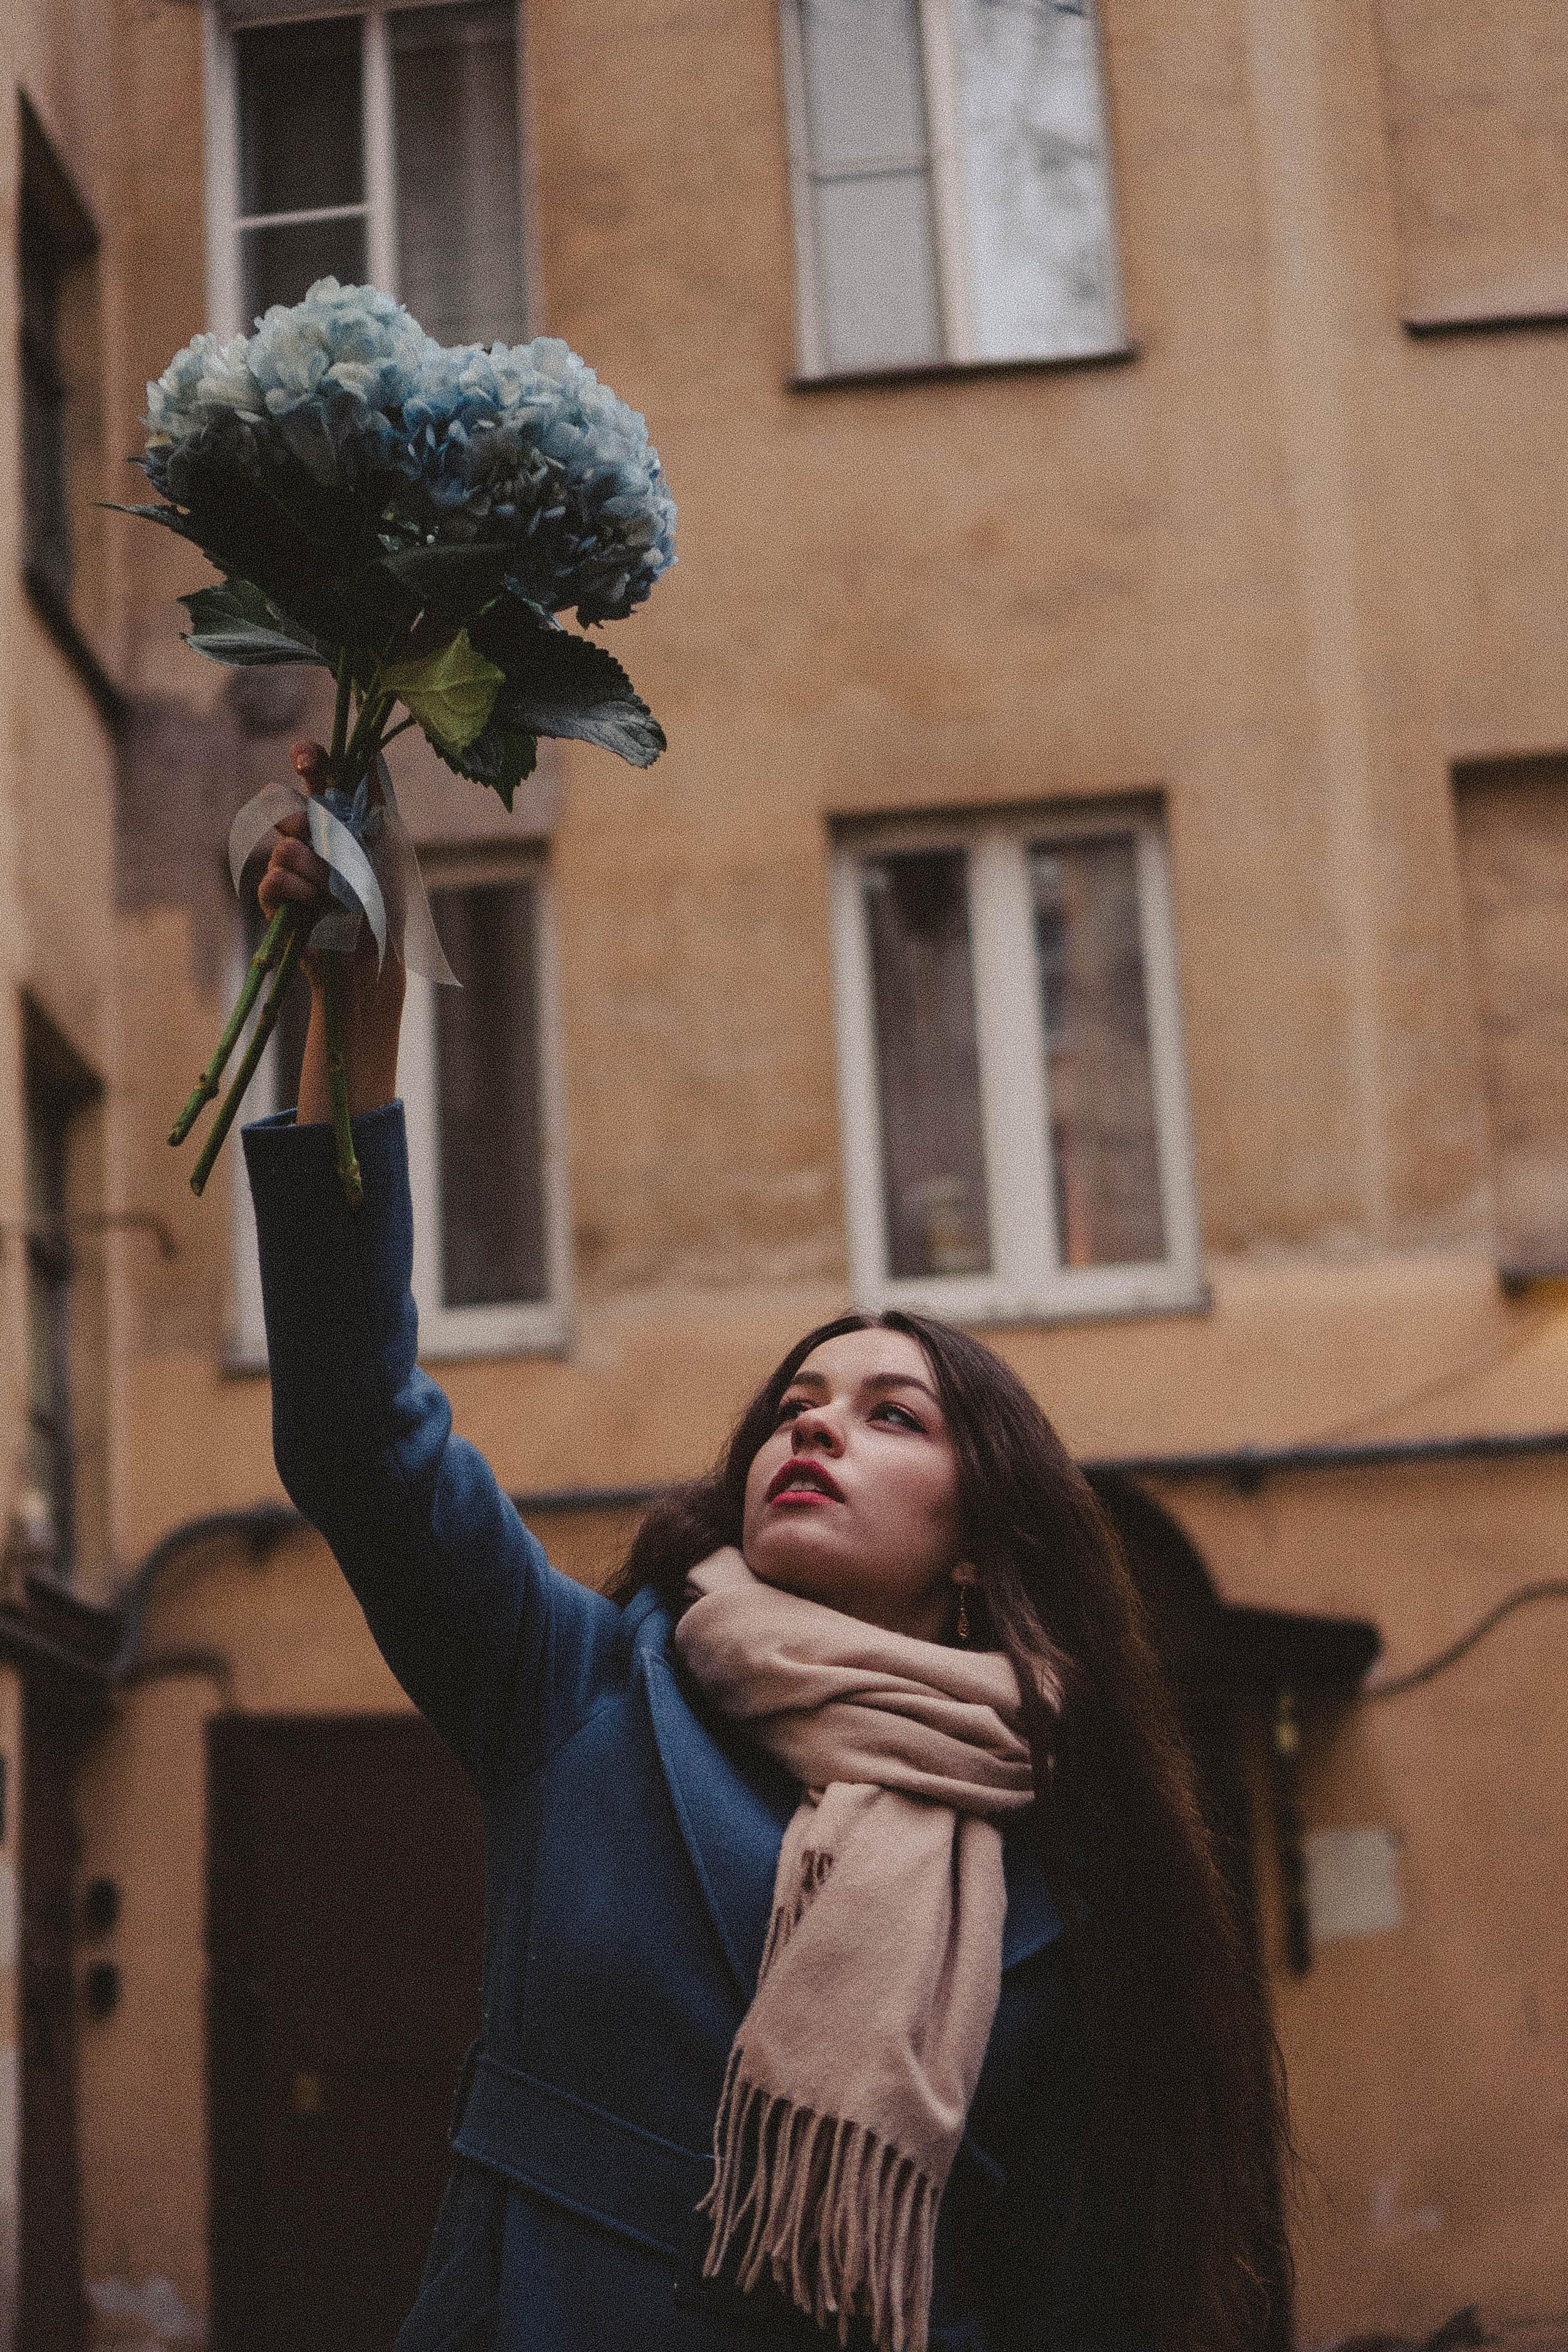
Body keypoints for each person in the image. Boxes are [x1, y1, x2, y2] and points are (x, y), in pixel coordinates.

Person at [243, 748, 1294, 2352]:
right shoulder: (576, 1690)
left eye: (891, 1417)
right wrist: (361, 1012)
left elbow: (1074, 2291)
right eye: (797, 1404)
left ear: (978, 1540)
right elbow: (356, 1432)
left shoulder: (1060, 1872)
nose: (816, 1427)